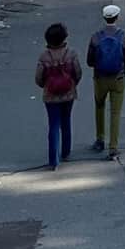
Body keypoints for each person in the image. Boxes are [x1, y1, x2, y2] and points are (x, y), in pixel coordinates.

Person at [87, 3, 125, 161]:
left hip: (100, 78)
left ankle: (100, 139)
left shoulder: (95, 37)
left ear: (104, 18)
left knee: (99, 106)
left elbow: (90, 62)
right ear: (117, 17)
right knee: (115, 112)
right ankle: (113, 147)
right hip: (118, 78)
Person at [35, 21, 82, 170]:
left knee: (53, 125)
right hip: (68, 94)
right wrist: (72, 84)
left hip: (51, 96)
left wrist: (46, 86)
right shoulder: (71, 53)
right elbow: (78, 72)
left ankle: (53, 159)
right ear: (64, 38)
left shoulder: (44, 57)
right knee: (66, 121)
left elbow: (38, 78)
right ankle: (66, 151)